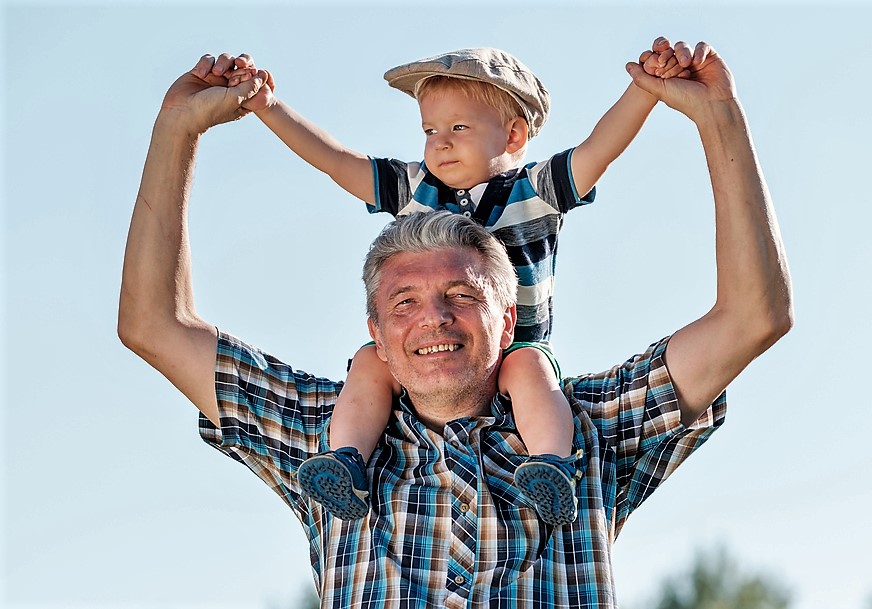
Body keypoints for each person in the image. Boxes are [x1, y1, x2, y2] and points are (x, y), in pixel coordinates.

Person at [118, 37, 792, 608]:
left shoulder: (591, 427)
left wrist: (718, 118)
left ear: (506, 321)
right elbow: (154, 323)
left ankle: (541, 469)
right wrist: (178, 130)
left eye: (460, 295)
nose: (431, 317)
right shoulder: (321, 433)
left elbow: (753, 316)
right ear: (375, 332)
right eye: (403, 302)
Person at [223, 42, 693, 525]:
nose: (440, 142)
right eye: (430, 130)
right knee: (369, 359)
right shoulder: (415, 188)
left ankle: (551, 465)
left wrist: (644, 91)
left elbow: (600, 148)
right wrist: (267, 107)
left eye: (459, 128)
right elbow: (334, 160)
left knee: (532, 371)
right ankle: (346, 461)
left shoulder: (537, 189)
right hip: (427, 352)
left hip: (516, 344)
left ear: (513, 135)